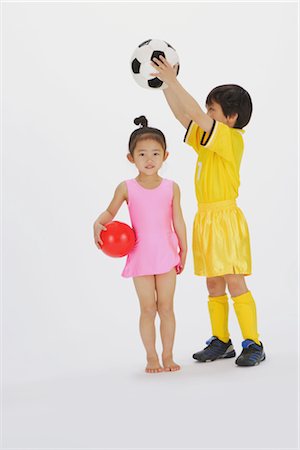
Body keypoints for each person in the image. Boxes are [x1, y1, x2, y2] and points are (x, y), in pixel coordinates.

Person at [150, 56, 265, 366]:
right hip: (206, 219)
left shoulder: (230, 139)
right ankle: (222, 340)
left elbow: (197, 115)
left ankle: (253, 342)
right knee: (213, 283)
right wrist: (163, 85)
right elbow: (183, 116)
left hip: (225, 220)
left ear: (230, 117)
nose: (206, 114)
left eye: (213, 110)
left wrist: (173, 79)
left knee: (234, 281)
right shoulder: (208, 141)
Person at [93, 116, 187, 373]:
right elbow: (108, 213)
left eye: (155, 153)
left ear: (165, 155)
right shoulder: (126, 188)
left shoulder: (172, 187)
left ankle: (168, 356)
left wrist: (184, 249)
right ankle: (151, 357)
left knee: (166, 308)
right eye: (142, 153)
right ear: (130, 157)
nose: (149, 159)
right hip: (141, 255)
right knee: (148, 309)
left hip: (167, 255)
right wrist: (97, 224)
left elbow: (178, 221)